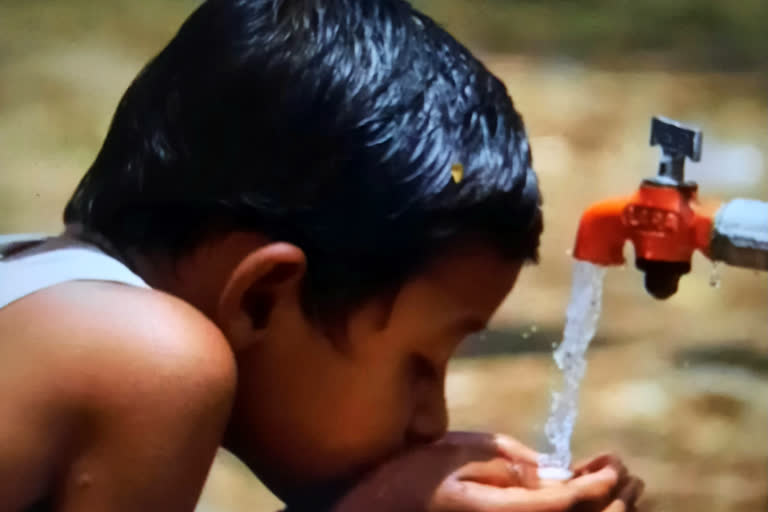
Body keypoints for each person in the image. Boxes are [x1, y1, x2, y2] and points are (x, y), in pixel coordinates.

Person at [0, 0, 644, 510]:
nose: (433, 421)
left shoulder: (35, 296)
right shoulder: (155, 360)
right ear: (260, 298)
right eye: (420, 364)